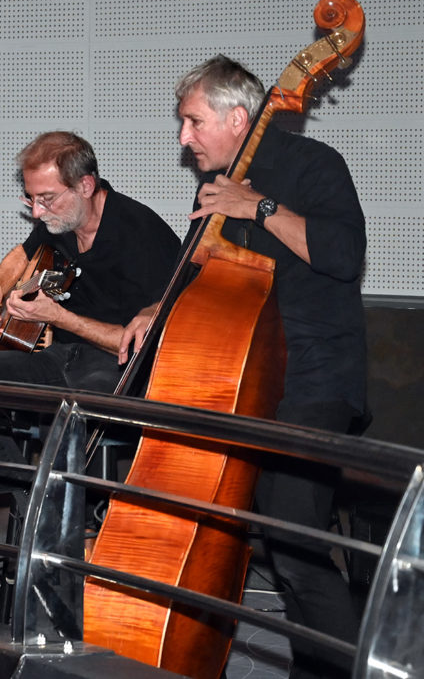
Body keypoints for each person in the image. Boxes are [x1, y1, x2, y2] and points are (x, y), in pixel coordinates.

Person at [119, 55, 367, 679]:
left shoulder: (314, 166)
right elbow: (195, 277)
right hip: (238, 382)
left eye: (193, 122)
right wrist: (153, 310)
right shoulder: (213, 187)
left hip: (312, 377)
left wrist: (256, 206)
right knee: (248, 535)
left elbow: (343, 256)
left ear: (238, 117)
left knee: (291, 536)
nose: (184, 139)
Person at [0, 131, 180, 497]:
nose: (36, 212)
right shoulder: (59, 221)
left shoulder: (140, 235)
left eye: (46, 199)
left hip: (121, 371)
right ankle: (23, 492)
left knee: (72, 412)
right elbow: (23, 252)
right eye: (30, 199)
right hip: (63, 359)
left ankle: (64, 518)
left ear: (85, 185)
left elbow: (138, 344)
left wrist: (58, 317)